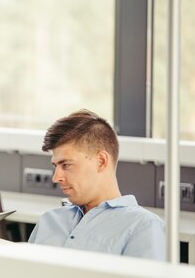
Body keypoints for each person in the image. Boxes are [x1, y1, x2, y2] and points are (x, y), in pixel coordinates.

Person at [28, 109, 166, 260]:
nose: (56, 177)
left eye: (66, 165)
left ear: (101, 161)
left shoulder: (143, 226)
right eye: (56, 166)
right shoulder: (50, 220)